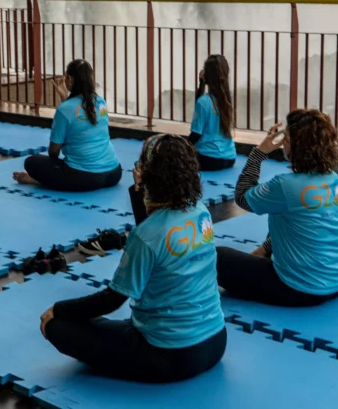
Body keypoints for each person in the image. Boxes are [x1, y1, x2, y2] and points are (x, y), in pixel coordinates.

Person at [41, 134, 226, 383]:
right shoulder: (201, 213)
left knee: (57, 326)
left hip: (169, 356)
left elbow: (111, 299)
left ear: (149, 175)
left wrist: (58, 309)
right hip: (215, 341)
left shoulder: (146, 236)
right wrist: (138, 191)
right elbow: (158, 235)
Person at [217, 110, 338, 306]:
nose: (284, 144)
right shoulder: (335, 181)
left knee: (217, 257)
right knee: (292, 220)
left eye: (286, 138)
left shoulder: (286, 185)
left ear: (298, 146)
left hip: (300, 289)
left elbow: (242, 197)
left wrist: (259, 153)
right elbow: (299, 227)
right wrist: (263, 250)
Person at [13, 59, 122, 191]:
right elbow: (80, 117)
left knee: (31, 162)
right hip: (114, 173)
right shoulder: (100, 101)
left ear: (69, 79)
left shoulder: (64, 109)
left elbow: (53, 151)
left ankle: (37, 180)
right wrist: (65, 98)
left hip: (86, 178)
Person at [190, 55, 237, 171]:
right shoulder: (227, 98)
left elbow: (196, 135)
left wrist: (180, 147)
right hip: (230, 157)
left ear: (207, 76)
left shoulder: (203, 102)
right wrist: (201, 85)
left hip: (208, 159)